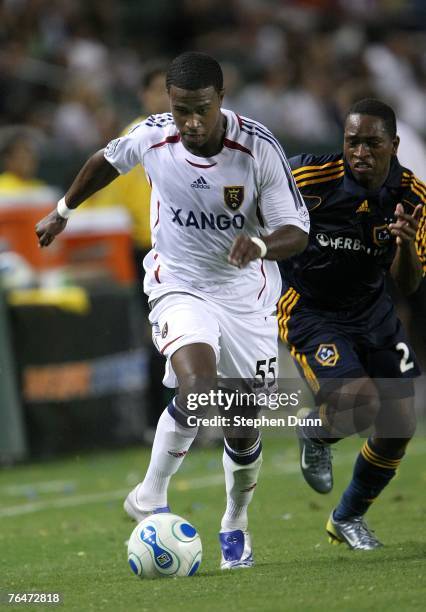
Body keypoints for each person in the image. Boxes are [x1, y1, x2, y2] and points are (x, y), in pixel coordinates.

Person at [35, 51, 309, 569]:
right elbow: (103, 163)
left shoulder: (257, 149)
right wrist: (62, 211)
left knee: (243, 419)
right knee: (198, 389)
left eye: (200, 109)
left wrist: (263, 246)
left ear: (221, 100)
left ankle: (235, 519)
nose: (189, 121)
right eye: (180, 108)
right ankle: (151, 496)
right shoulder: (153, 134)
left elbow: (297, 230)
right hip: (178, 282)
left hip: (244, 293)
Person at [278, 98, 425, 550]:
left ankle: (347, 518)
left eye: (371, 143)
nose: (359, 152)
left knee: (399, 423)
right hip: (310, 308)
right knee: (358, 404)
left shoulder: (414, 198)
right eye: (351, 142)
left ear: (394, 145)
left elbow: (410, 284)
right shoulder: (307, 177)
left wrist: (404, 246)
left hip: (372, 310)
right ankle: (315, 430)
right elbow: (256, 204)